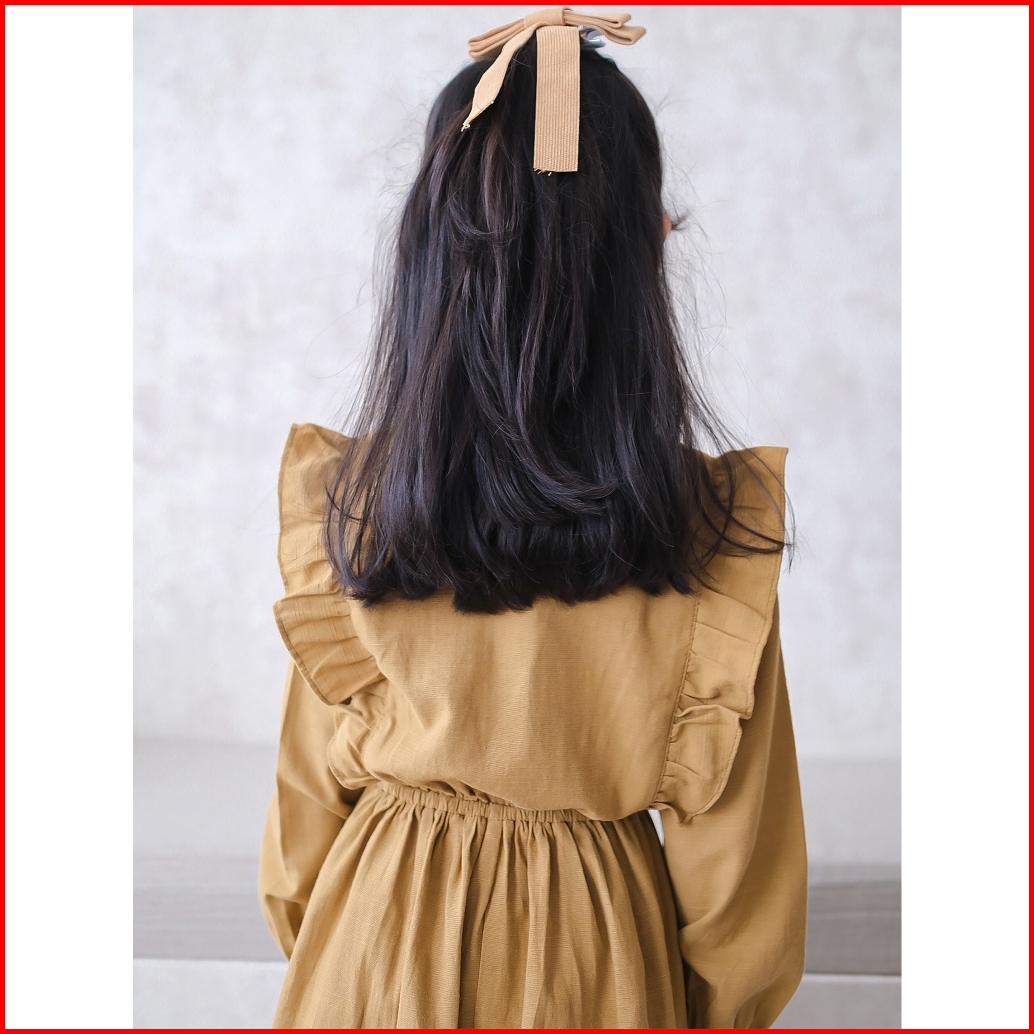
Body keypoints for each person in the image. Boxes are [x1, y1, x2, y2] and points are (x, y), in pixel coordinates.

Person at [259, 8, 806, 1028]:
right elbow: (739, 907)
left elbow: (299, 848)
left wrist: (350, 950)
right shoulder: (709, 535)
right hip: (600, 970)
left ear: (426, 256)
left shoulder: (357, 504)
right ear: (646, 254)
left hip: (369, 955)